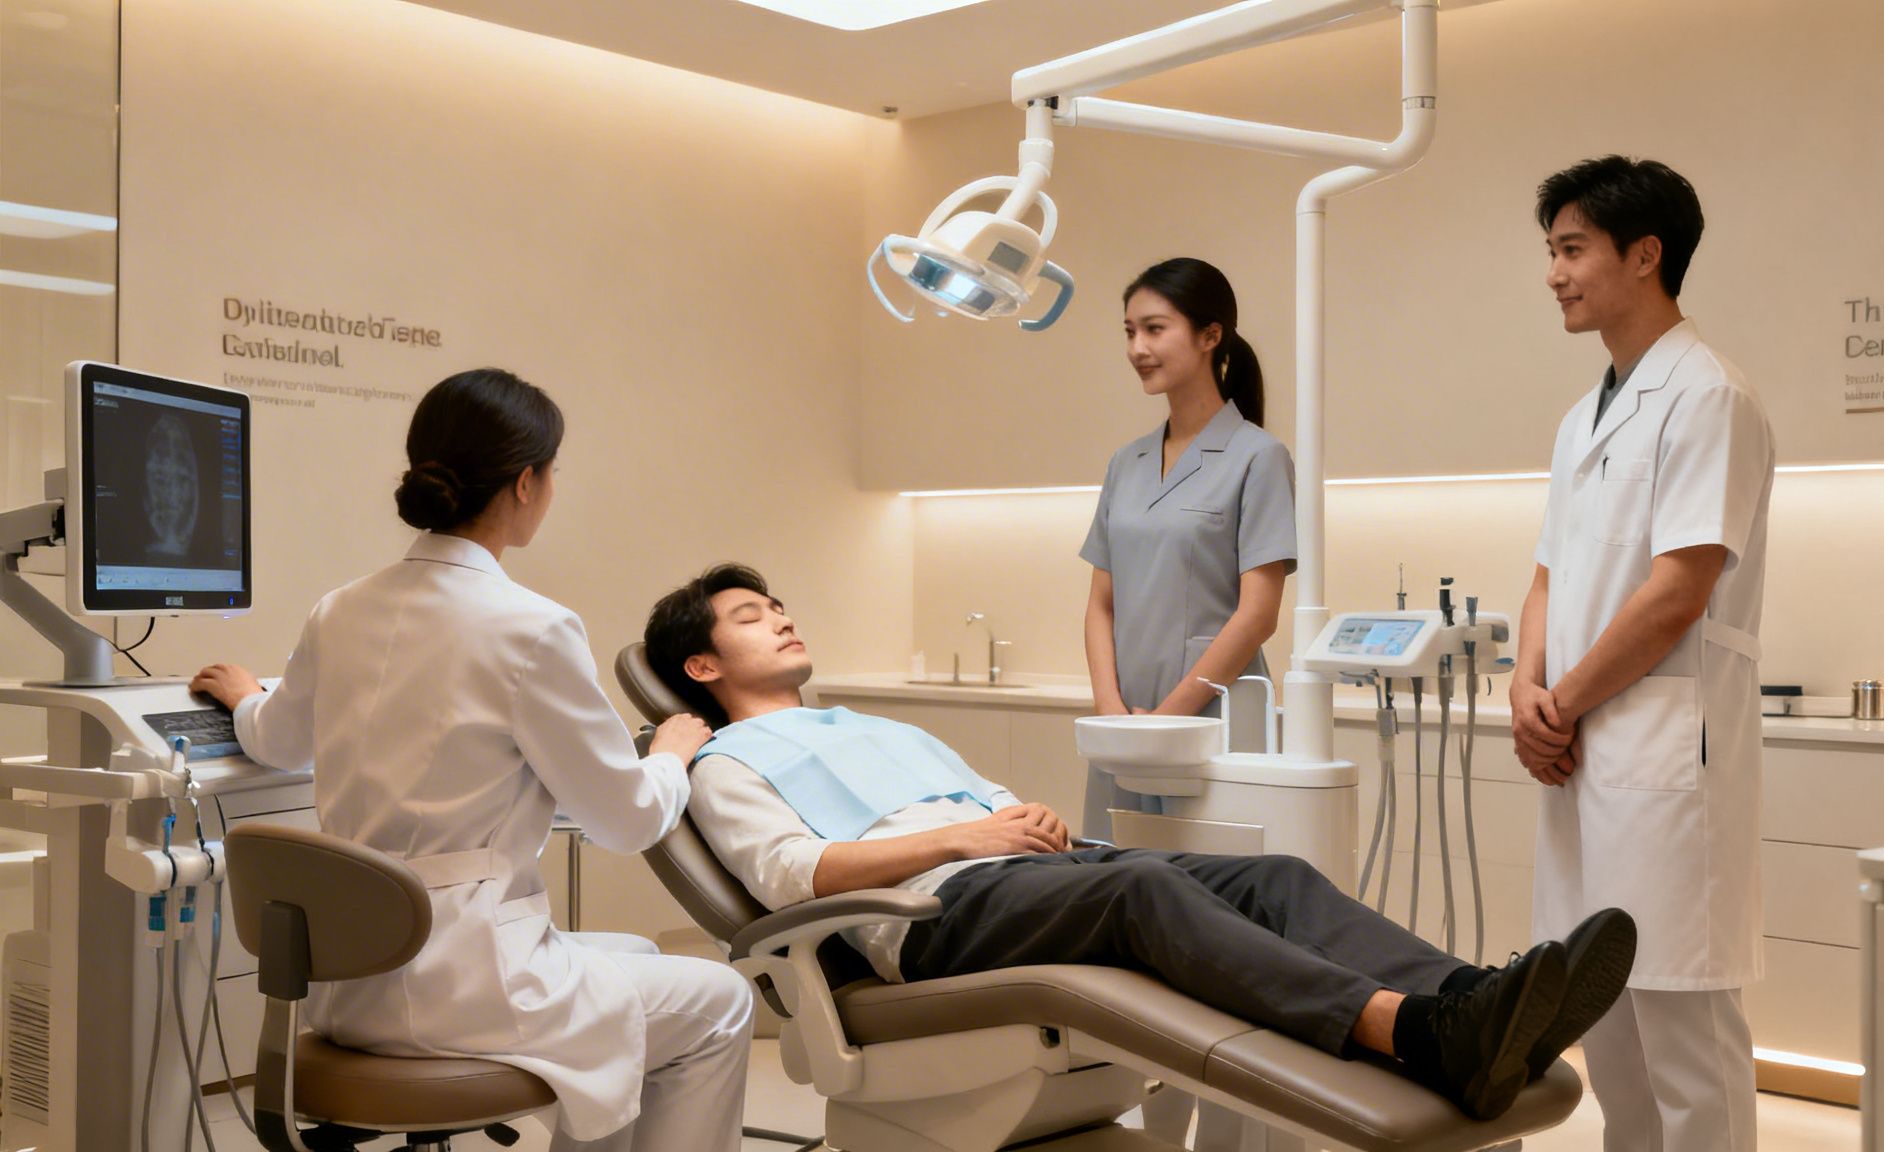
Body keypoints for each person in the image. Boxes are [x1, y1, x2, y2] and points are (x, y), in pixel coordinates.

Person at [644, 563, 1640, 1124]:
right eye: (750, 617)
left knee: (1272, 877)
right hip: (922, 921)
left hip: (1017, 875)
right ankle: (1415, 1034)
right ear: (701, 666)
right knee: (1145, 898)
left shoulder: (872, 725)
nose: (780, 619)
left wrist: (1023, 821)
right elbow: (795, 876)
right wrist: (968, 836)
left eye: (778, 605)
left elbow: (991, 803)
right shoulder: (723, 762)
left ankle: (1478, 1004)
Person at [191, 369, 752, 1152]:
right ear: (525, 482)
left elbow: (276, 740)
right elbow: (626, 822)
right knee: (721, 1000)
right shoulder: (533, 627)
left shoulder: (340, 609)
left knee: (635, 958)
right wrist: (669, 754)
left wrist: (248, 697)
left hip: (347, 986)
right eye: (552, 472)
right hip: (463, 983)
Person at [1510, 156, 1775, 1152]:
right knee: (1605, 1022)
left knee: (1683, 1033)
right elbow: (1546, 574)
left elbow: (1676, 591)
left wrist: (1562, 703)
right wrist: (1524, 687)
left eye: (1571, 249)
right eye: (1551, 251)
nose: (1554, 273)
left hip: (1660, 753)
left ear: (1644, 254)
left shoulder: (1707, 397)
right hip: (1582, 753)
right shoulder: (1581, 418)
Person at [1081, 258, 1296, 845]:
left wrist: (1167, 720)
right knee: (1114, 877)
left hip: (1212, 722)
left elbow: (1258, 615)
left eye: (1155, 329)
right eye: (1130, 331)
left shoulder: (1258, 458)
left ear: (1210, 335)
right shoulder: (1125, 463)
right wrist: (1111, 714)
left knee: (1209, 884)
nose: (1138, 348)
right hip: (1126, 725)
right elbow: (1101, 604)